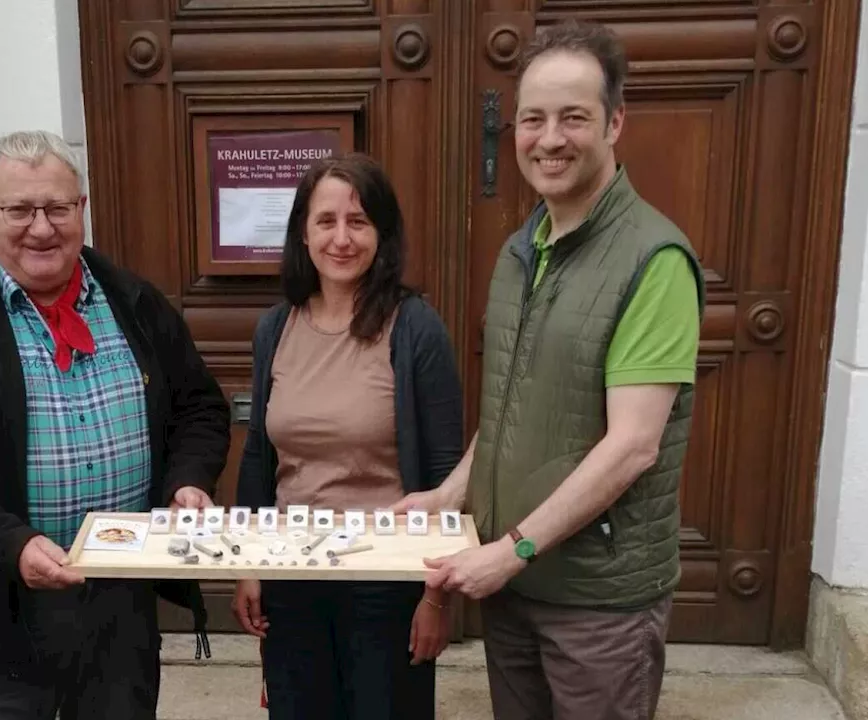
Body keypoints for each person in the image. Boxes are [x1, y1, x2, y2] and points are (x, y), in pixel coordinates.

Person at [392, 20, 706, 720]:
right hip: (518, 586)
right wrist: (450, 495)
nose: (550, 138)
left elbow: (633, 446)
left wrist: (513, 548)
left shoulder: (654, 261)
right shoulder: (519, 250)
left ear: (615, 122)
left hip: (596, 601)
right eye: (533, 119)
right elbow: (508, 409)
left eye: (574, 117)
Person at [0, 129, 230, 720]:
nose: (41, 228)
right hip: (0, 618)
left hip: (118, 613)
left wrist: (186, 480)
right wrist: (11, 543)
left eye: (57, 208)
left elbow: (199, 406)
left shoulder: (135, 303)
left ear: (82, 210)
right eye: (19, 209)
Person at [231, 152, 465, 720]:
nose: (342, 238)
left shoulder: (415, 329)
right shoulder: (275, 328)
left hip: (385, 583)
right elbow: (261, 456)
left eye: (358, 222)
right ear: (302, 234)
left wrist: (435, 598)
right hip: (292, 577)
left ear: (381, 234)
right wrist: (248, 563)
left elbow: (444, 473)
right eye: (326, 221)